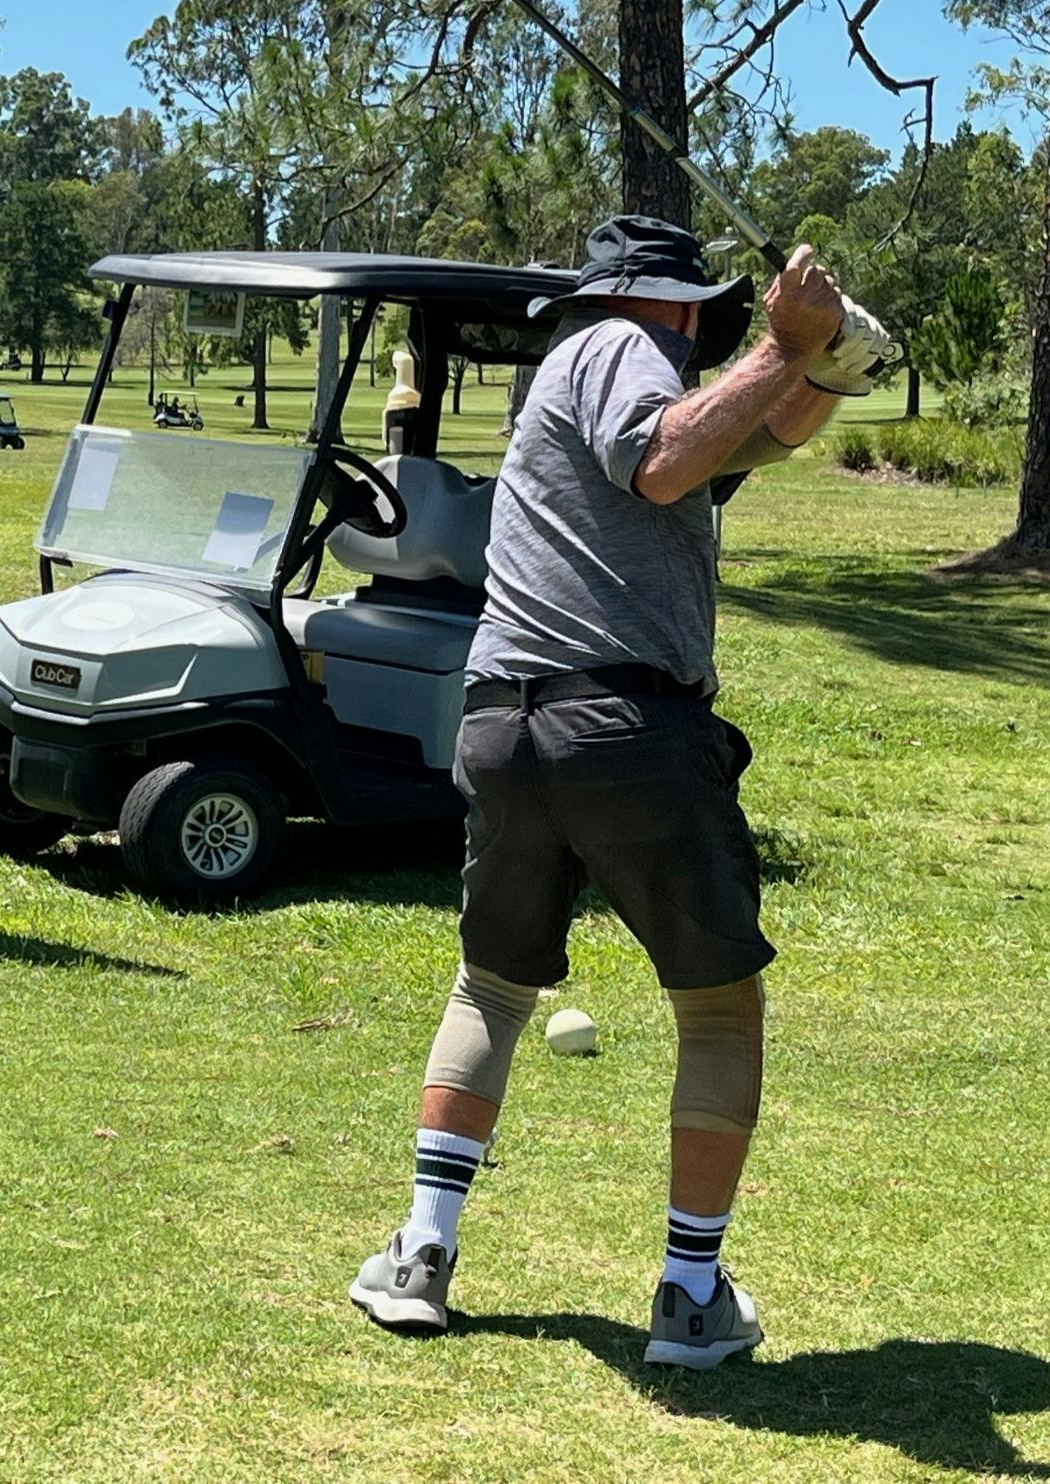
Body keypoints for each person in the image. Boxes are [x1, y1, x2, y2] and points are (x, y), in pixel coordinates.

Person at [349, 216, 890, 1368]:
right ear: (682, 303)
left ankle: (419, 1254)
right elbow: (663, 457)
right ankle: (690, 1297)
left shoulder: (592, 369)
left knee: (491, 985)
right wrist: (778, 345)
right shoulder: (616, 348)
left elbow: (745, 442)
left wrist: (822, 366)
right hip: (624, 725)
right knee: (717, 1009)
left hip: (507, 725)